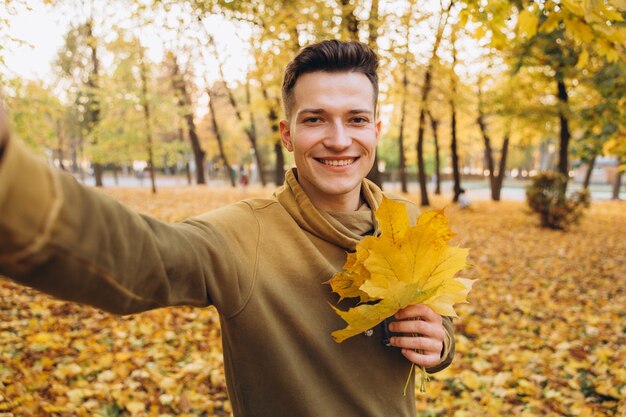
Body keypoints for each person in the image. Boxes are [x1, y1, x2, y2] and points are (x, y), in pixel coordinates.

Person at [0, 40, 454, 417]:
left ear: (375, 130)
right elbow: (143, 258)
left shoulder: (409, 222)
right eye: (314, 119)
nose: (338, 139)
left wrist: (441, 342)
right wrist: (10, 179)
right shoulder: (245, 235)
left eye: (356, 119)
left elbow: (439, 322)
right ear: (287, 134)